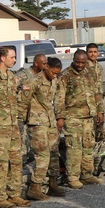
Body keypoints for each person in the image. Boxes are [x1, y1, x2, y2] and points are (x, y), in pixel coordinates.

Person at [0, 46, 30, 208]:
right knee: (0, 162)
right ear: (2, 58)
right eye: (12, 57)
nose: (15, 60)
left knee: (16, 160)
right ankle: (0, 197)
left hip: (12, 125)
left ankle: (14, 193)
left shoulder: (11, 76)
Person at [55, 50, 104, 188]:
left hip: (89, 116)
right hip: (72, 117)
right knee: (74, 148)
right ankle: (73, 177)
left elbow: (97, 93)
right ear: (74, 59)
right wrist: (60, 117)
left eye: (83, 62)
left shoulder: (90, 73)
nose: (80, 65)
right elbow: (59, 99)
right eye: (78, 62)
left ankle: (86, 174)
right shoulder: (65, 75)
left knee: (88, 146)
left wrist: (100, 111)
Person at [19, 57, 65, 200]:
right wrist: (22, 119)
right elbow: (23, 100)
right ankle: (35, 187)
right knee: (42, 154)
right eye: (53, 72)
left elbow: (58, 100)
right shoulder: (34, 81)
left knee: (53, 153)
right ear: (46, 67)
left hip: (50, 121)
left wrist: (60, 117)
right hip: (37, 122)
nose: (54, 75)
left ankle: (52, 183)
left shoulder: (55, 81)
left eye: (57, 73)